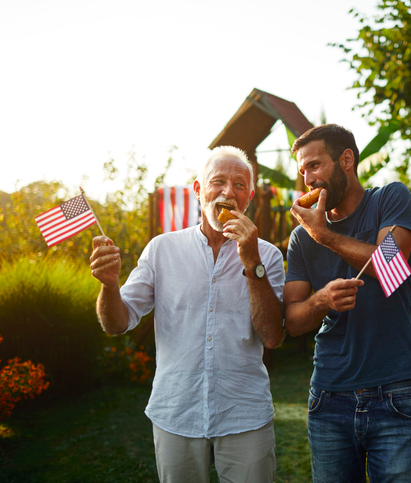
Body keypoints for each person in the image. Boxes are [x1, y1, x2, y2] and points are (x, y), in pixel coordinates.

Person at [89, 145, 285, 483]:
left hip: (245, 415)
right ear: (198, 190)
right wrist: (109, 285)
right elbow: (116, 323)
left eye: (239, 185)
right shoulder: (162, 249)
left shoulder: (266, 255)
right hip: (175, 412)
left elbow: (272, 335)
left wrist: (251, 261)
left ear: (249, 197)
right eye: (218, 181)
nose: (228, 192)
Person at [284, 123, 411, 482]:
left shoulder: (389, 199)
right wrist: (320, 301)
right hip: (329, 395)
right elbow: (294, 321)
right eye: (303, 171)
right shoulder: (301, 238)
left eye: (315, 166)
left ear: (346, 159)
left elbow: (393, 266)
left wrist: (325, 236)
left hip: (395, 390)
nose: (308, 180)